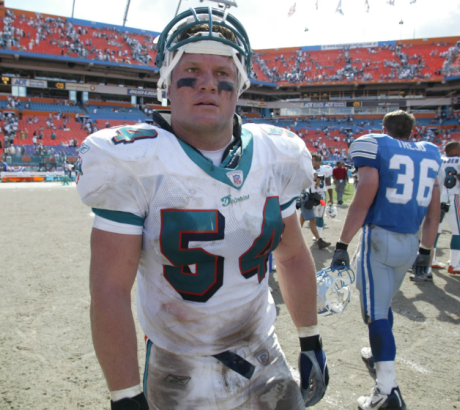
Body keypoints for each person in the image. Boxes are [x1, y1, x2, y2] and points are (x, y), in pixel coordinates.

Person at [77, 7, 327, 410]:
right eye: (193, 69)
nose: (209, 84)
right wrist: (124, 395)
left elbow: (294, 254)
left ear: (240, 84)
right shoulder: (133, 162)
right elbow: (109, 289)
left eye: (224, 74)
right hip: (178, 368)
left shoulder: (276, 155)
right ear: (168, 83)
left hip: (263, 354)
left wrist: (311, 337)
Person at [330, 110, 442, 409]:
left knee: (376, 314)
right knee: (384, 305)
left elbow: (364, 196)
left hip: (379, 239)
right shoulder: (430, 152)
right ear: (412, 131)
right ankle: (377, 353)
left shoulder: (375, 144)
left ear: (384, 128)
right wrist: (426, 251)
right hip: (410, 241)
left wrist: (342, 243)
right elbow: (434, 212)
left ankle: (386, 390)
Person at [430, 141, 460, 275]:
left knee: (435, 230)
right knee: (459, 231)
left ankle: (433, 259)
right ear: (453, 150)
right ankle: (454, 264)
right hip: (452, 196)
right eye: (459, 149)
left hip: (437, 196)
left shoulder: (439, 160)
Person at [311, 154, 334, 246]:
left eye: (314, 160)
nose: (312, 162)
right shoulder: (308, 169)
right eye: (311, 160)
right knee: (310, 215)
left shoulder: (325, 170)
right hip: (311, 196)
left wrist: (331, 198)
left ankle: (319, 236)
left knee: (320, 214)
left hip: (321, 196)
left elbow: (329, 184)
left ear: (319, 162)